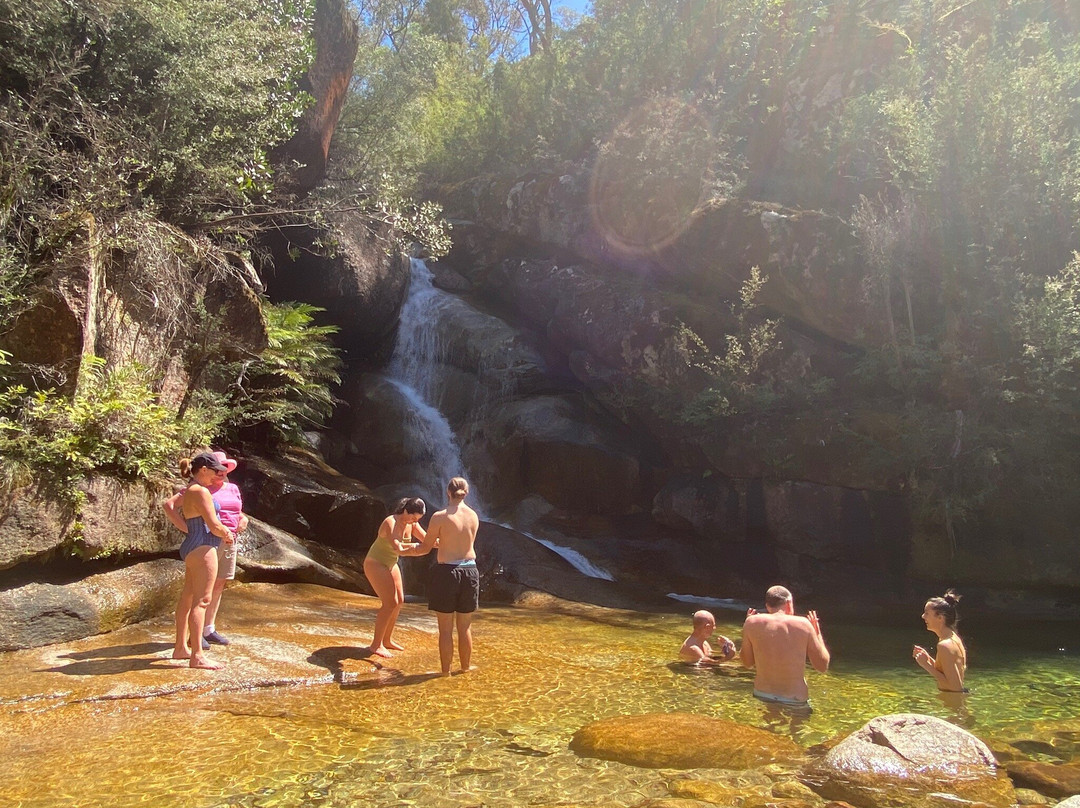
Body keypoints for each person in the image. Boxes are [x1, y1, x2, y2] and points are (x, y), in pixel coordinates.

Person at [164, 451, 248, 650]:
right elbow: (212, 523)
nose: (221, 473)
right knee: (201, 599)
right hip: (205, 543)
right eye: (217, 470)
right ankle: (196, 648)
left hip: (201, 543)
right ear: (204, 469)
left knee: (193, 594)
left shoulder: (207, 488)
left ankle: (184, 646)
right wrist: (223, 533)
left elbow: (231, 513)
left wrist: (240, 521)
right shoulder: (200, 490)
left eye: (223, 469)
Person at [412, 477, 480, 675]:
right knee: (465, 627)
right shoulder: (474, 516)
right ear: (466, 493)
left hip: (447, 573)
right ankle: (466, 669)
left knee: (445, 629)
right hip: (470, 570)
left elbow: (426, 547)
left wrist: (405, 548)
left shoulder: (439, 517)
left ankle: (445, 673)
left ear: (447, 492)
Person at [739, 585, 830, 709]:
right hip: (794, 699)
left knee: (766, 727)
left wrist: (747, 629)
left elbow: (747, 663)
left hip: (762, 694)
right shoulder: (803, 624)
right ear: (788, 603)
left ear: (767, 606)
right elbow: (822, 666)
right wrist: (817, 631)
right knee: (797, 728)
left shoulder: (751, 622)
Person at [362, 497, 427, 658]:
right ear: (405, 511)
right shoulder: (390, 522)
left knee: (399, 601)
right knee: (389, 603)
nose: (414, 521)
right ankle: (375, 645)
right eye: (413, 517)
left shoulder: (411, 524)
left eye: (417, 519)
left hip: (390, 563)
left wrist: (446, 542)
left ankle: (387, 640)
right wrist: (415, 548)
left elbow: (428, 540)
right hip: (375, 563)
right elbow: (397, 547)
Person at [913, 589, 967, 692]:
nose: (923, 616)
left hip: (952, 704)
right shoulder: (952, 638)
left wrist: (926, 665)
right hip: (953, 702)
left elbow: (955, 687)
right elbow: (947, 674)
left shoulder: (945, 645)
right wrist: (928, 659)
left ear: (940, 618)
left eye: (927, 613)